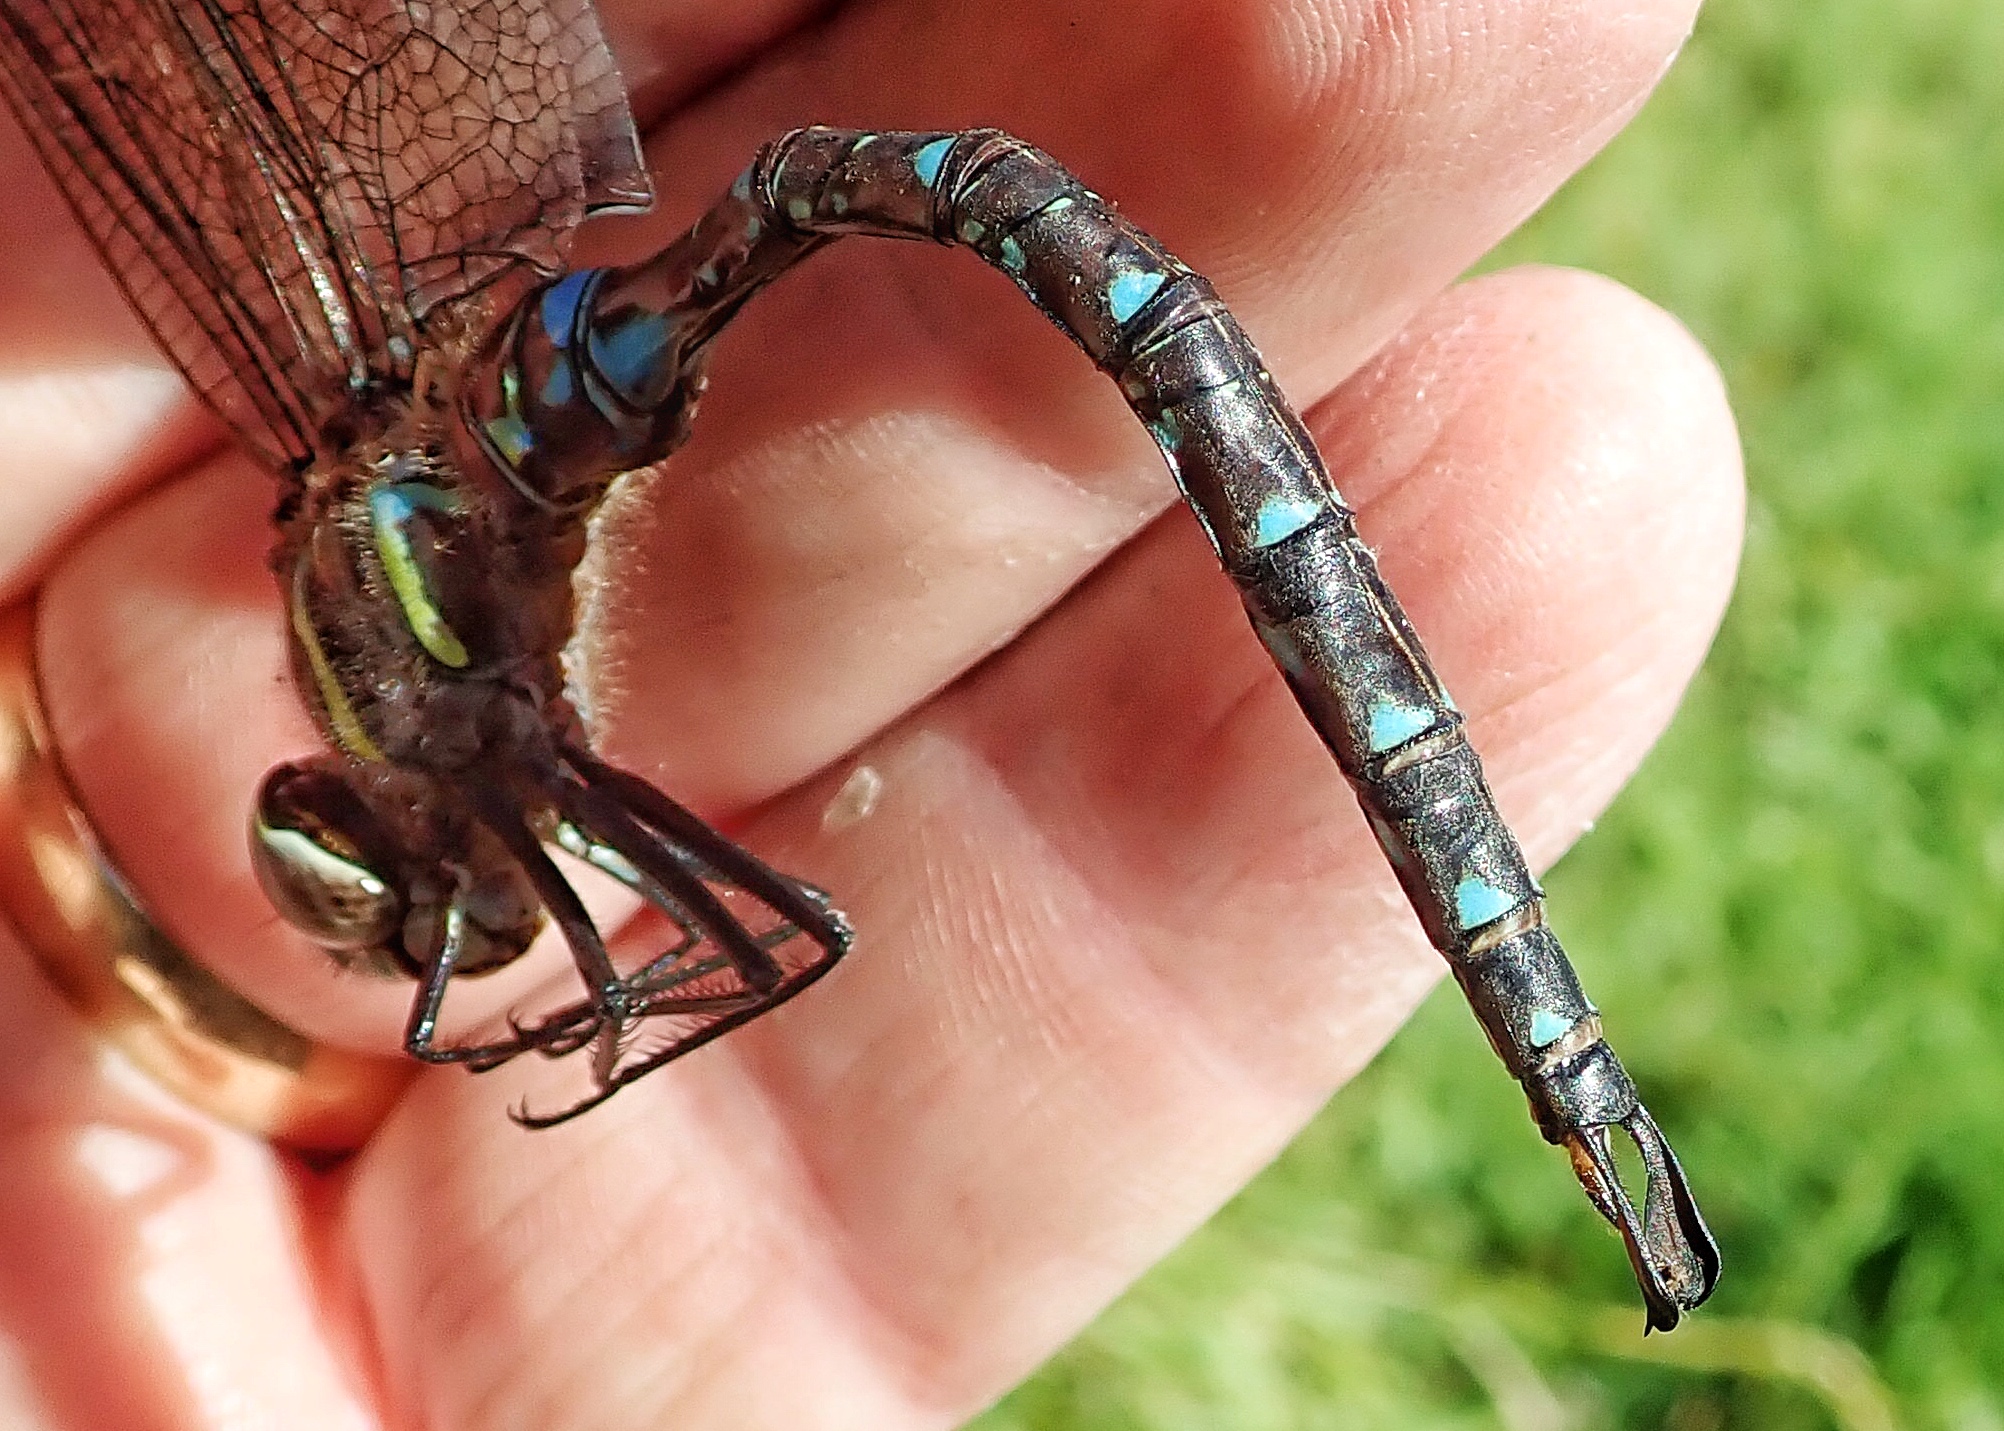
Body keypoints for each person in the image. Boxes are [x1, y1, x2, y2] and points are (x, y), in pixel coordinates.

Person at [0, 0, 1740, 1424]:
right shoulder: (435, 651)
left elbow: (789, 939)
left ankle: (1579, 1088)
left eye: (366, 859)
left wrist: (594, 1003)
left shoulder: (459, 715)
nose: (401, 904)